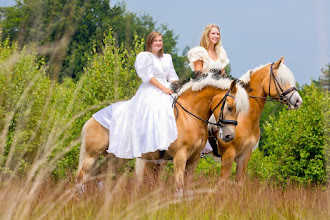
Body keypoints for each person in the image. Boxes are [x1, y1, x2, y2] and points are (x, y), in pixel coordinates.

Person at [93, 31, 179, 159]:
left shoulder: (167, 57)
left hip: (167, 87)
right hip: (152, 88)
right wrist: (163, 89)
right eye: (155, 41)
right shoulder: (145, 56)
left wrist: (175, 84)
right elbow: (148, 76)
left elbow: (172, 75)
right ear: (150, 42)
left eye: (160, 41)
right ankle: (154, 144)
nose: (158, 43)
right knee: (156, 109)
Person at [187, 24, 230, 155]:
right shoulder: (200, 52)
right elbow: (198, 74)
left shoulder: (219, 53)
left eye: (218, 34)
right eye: (213, 34)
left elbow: (223, 74)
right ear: (207, 35)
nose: (216, 36)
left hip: (218, 91)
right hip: (203, 91)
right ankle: (200, 144)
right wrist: (213, 81)